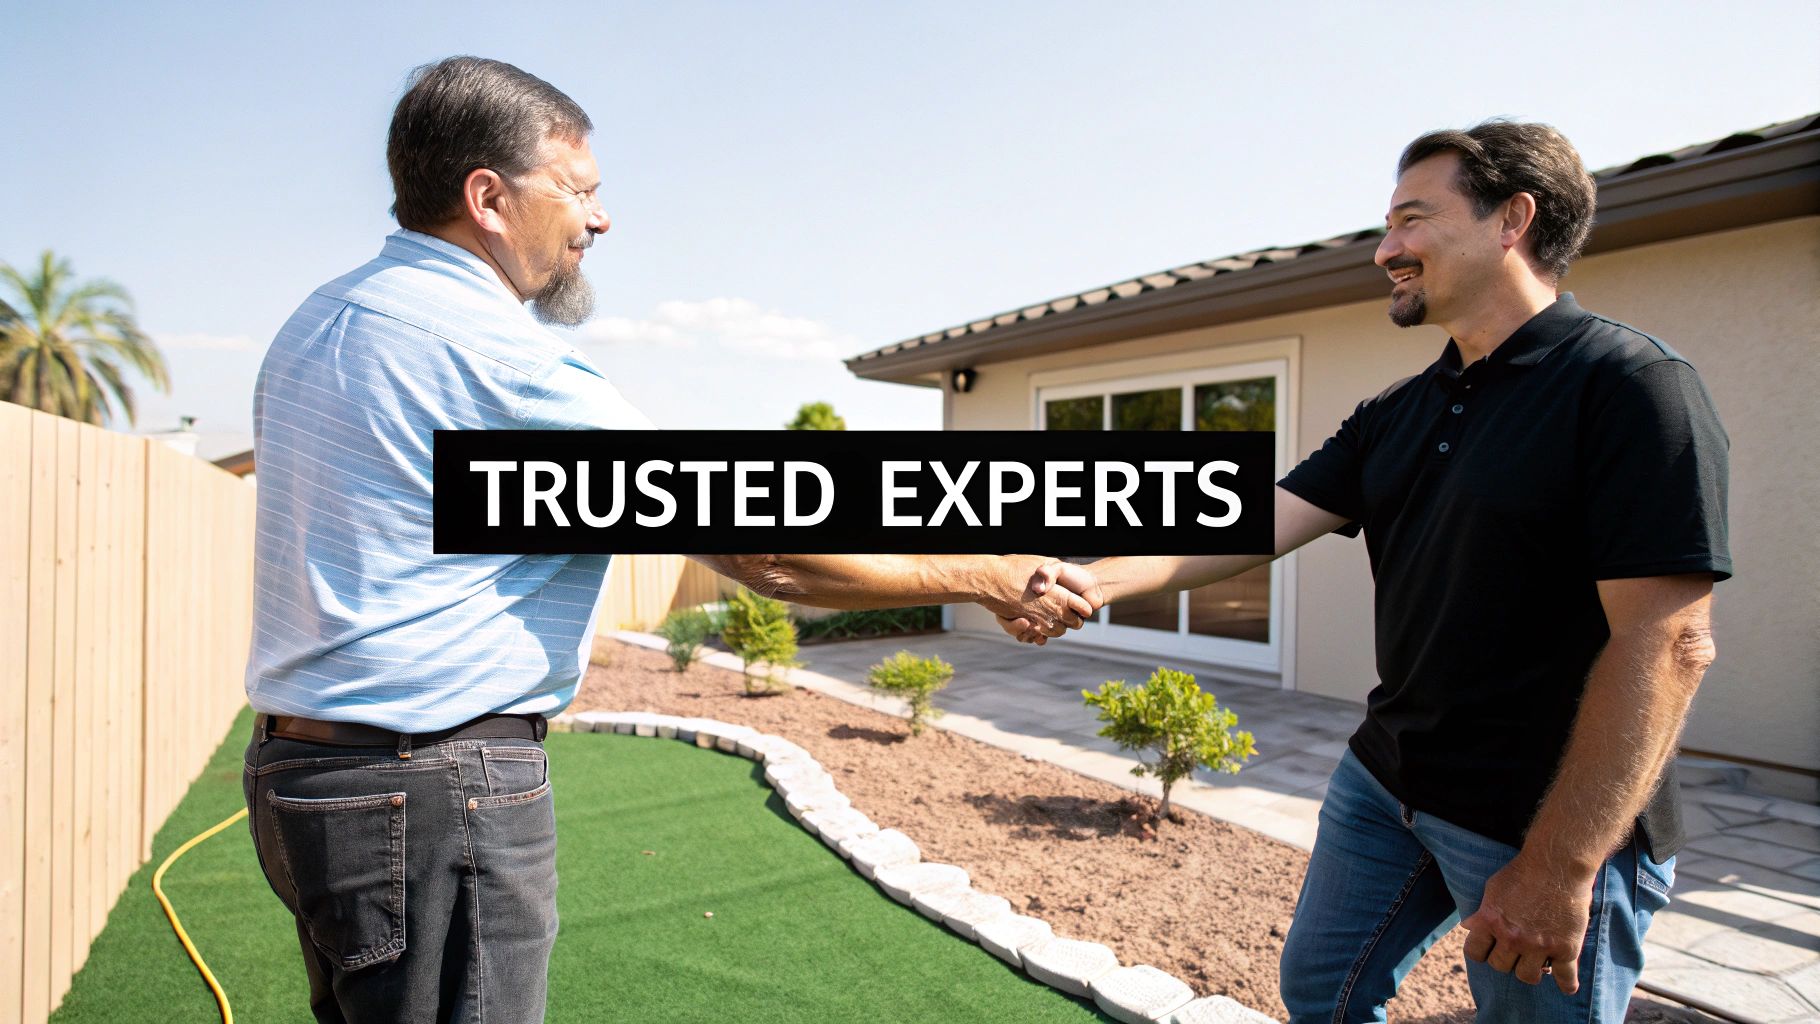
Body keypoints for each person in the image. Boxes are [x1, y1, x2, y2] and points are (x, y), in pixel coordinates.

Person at [242, 55, 1099, 1024]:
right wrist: (981, 570)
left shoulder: (323, 321)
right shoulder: (492, 354)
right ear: (487, 195)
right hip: (431, 786)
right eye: (578, 190)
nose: (598, 220)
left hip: (304, 776)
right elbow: (758, 544)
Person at [1001, 120, 1729, 1022]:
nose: (1386, 250)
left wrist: (1561, 864)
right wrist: (1093, 582)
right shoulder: (1401, 410)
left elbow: (1669, 645)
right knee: (1323, 991)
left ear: (1513, 219)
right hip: (1388, 782)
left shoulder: (1629, 387)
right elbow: (1252, 524)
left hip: (1537, 817)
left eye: (1412, 221)